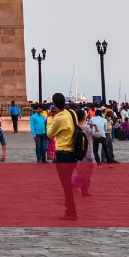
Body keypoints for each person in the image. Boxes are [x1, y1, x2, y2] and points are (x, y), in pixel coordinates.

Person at [46, 92, 78, 220]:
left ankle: (71, 211)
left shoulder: (58, 118)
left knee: (66, 184)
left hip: (62, 153)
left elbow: (49, 134)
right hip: (73, 153)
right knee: (68, 182)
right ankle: (69, 208)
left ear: (54, 104)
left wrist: (49, 119)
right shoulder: (72, 113)